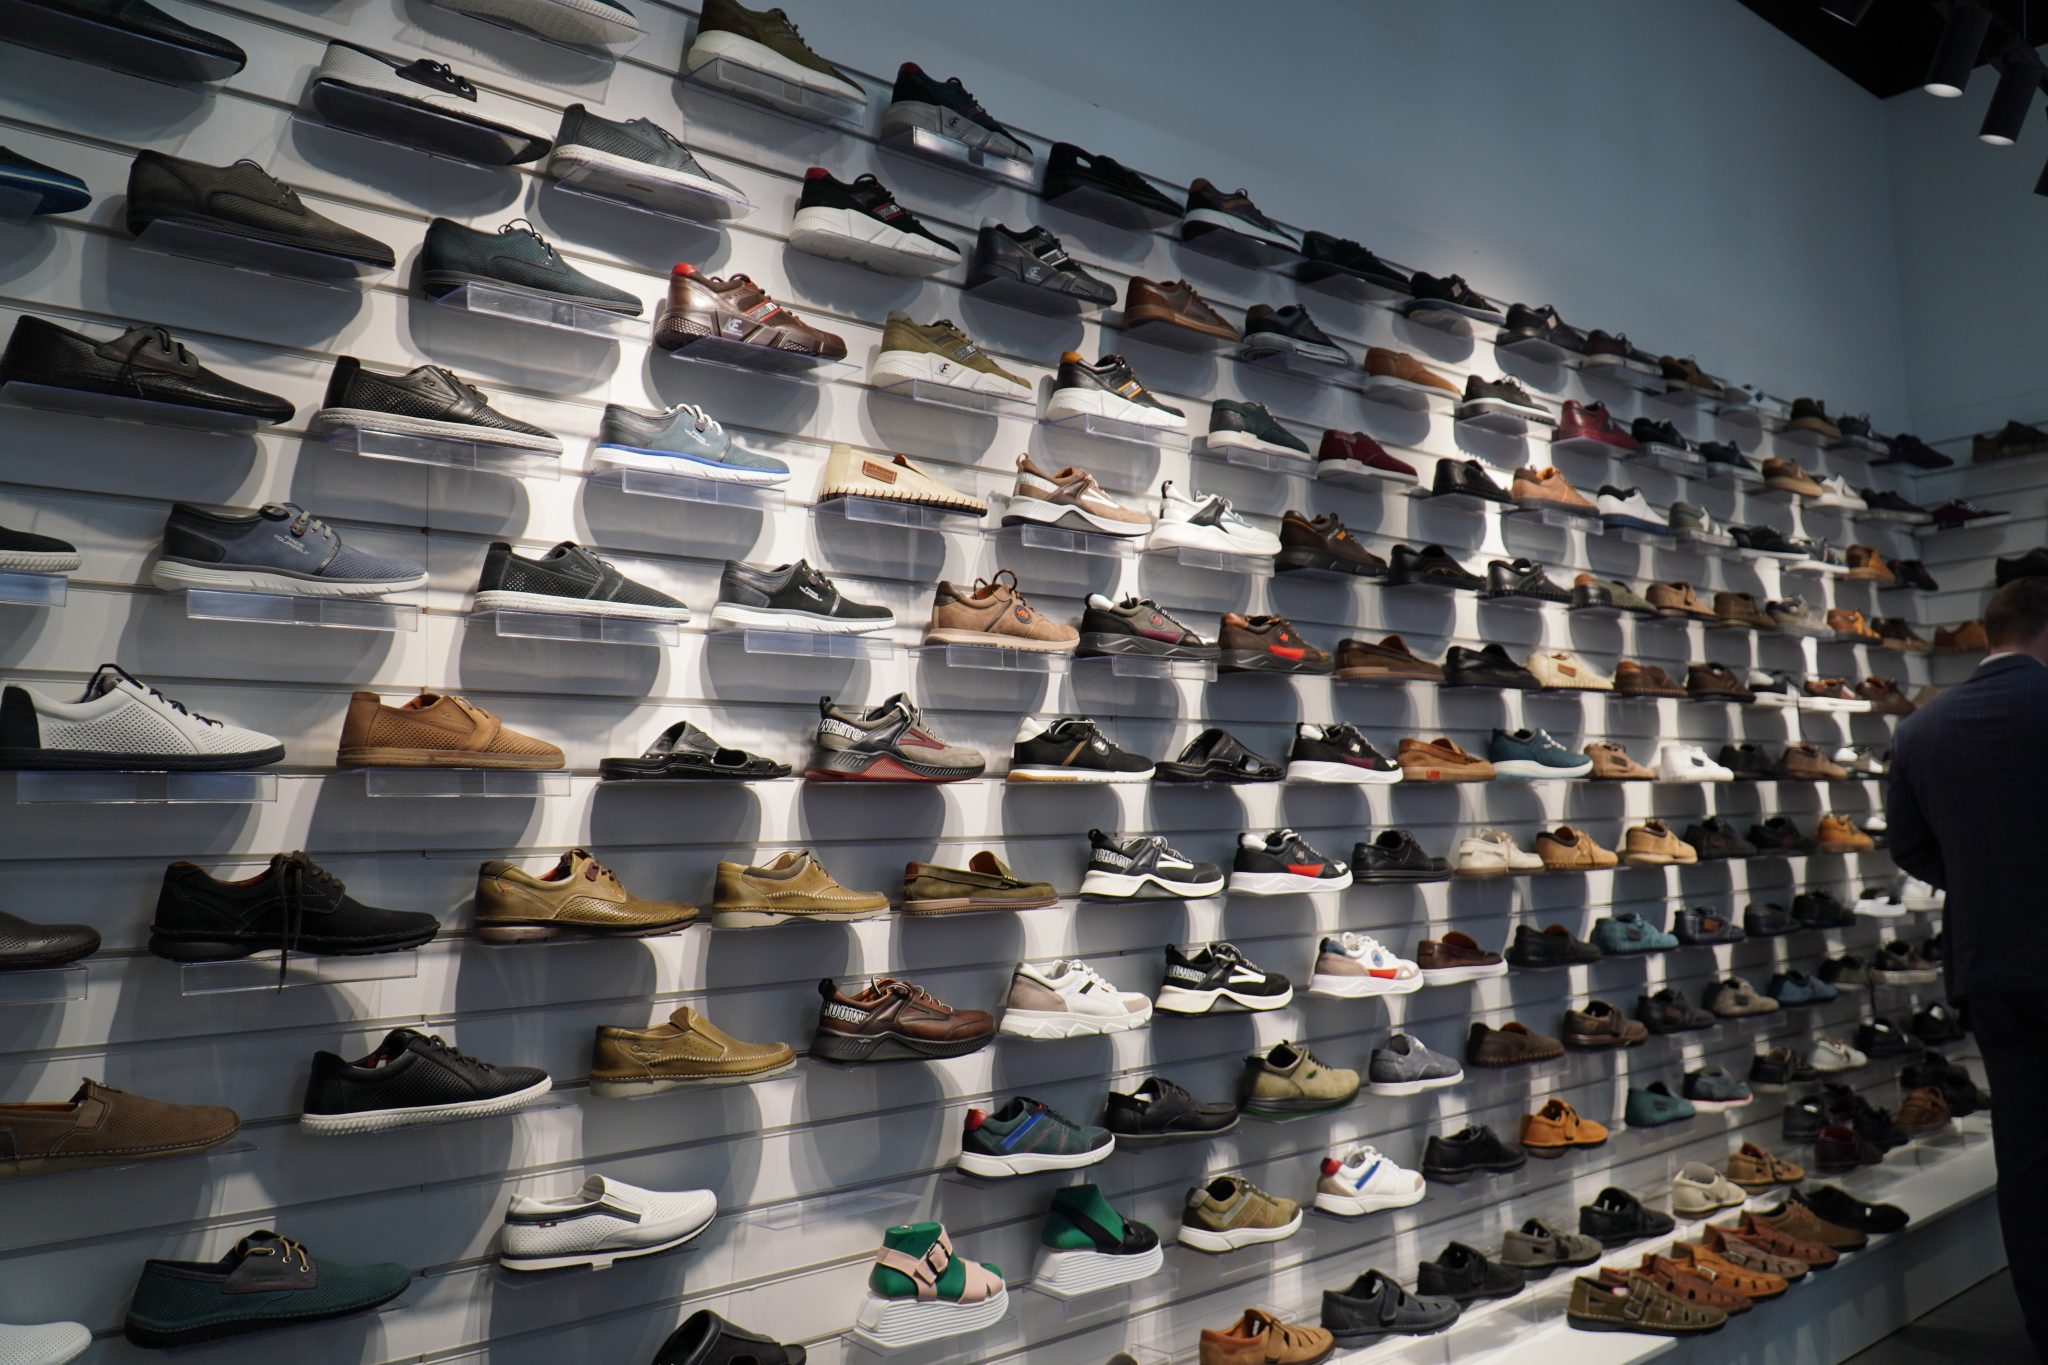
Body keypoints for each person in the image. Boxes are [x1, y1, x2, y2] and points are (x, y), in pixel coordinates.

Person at [1889, 575, 2048, 1361]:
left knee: (2027, 1154)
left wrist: (1983, 879)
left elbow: (1909, 846)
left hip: (1992, 963)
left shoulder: (1921, 729)